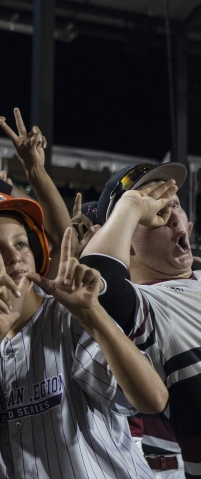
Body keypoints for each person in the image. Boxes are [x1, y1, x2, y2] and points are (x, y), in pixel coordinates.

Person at [0, 191, 167, 478]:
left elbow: (153, 400)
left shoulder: (69, 316)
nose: (14, 257)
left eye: (22, 243)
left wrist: (93, 315)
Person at [80, 163, 197, 478]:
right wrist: (130, 207)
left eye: (174, 204)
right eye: (153, 212)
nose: (171, 215)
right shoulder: (150, 305)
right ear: (126, 241)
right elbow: (98, 285)